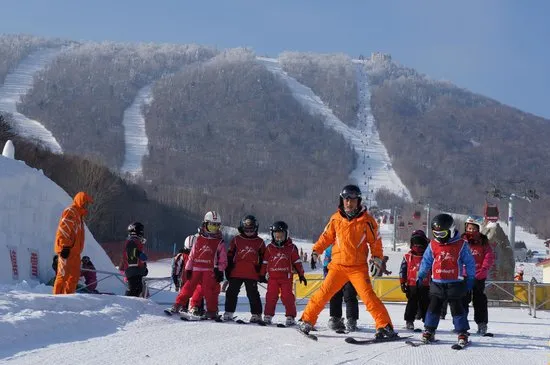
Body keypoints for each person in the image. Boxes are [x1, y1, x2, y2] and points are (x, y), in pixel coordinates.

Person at [298, 184, 396, 339]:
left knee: (369, 297)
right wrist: (317, 251)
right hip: (338, 266)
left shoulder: (367, 221)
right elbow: (326, 237)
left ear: (358, 201)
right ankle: (306, 320)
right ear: (342, 200)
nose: (349, 203)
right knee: (323, 294)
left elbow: (375, 242)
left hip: (358, 268)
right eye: (346, 200)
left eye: (352, 200)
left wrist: (377, 258)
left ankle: (384, 326)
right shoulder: (336, 218)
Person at [417, 213, 476, 346]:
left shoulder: (461, 244)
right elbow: (426, 261)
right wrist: (421, 274)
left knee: (457, 308)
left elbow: (470, 262)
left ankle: (462, 332)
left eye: (442, 234)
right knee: (433, 308)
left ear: (450, 230)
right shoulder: (433, 245)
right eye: (435, 234)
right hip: (437, 282)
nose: (439, 238)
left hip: (455, 283)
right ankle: (429, 330)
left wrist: (471, 277)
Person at [168, 211, 228, 319]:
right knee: (187, 288)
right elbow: (192, 255)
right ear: (205, 224)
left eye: (216, 226)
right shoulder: (198, 238)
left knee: (209, 291)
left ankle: (212, 311)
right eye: (211, 225)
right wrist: (188, 269)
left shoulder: (219, 242)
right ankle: (177, 305)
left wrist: (220, 270)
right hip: (196, 268)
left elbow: (223, 259)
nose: (214, 228)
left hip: (210, 270)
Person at [261, 221, 306, 326]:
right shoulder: (270, 248)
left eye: (281, 236)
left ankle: (290, 316)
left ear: (286, 235)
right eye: (277, 237)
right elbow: (264, 262)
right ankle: (268, 315)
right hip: (273, 278)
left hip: (286, 277)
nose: (279, 239)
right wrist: (261, 274)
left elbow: (297, 262)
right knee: (271, 296)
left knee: (287, 297)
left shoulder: (291, 248)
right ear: (273, 235)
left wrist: (301, 274)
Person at [223, 215, 265, 323]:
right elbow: (230, 254)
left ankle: (256, 314)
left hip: (252, 272)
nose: (249, 232)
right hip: (236, 271)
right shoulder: (237, 240)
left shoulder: (259, 242)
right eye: (247, 229)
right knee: (231, 292)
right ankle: (228, 312)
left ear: (256, 228)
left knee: (253, 293)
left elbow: (264, 259)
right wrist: (228, 268)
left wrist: (262, 272)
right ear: (242, 228)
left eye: (252, 229)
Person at [53, 191, 94, 295]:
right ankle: (56, 299)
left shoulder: (79, 216)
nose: (87, 205)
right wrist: (65, 246)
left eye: (88, 203)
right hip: (67, 250)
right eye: (85, 202)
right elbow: (63, 230)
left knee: (74, 278)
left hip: (75, 253)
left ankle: (68, 300)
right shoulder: (71, 211)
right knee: (62, 276)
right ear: (81, 201)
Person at [462, 215, 495, 335]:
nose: (470, 231)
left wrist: (484, 268)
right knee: (462, 300)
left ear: (479, 229)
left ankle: (482, 324)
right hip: (464, 275)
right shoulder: (462, 241)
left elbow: (489, 256)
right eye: (468, 228)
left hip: (478, 275)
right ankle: (461, 325)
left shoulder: (483, 242)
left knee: (479, 300)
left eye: (473, 229)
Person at [323, 244, 359, 332]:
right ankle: (335, 318)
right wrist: (326, 271)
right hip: (335, 271)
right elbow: (327, 257)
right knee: (335, 295)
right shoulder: (332, 244)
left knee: (350, 295)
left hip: (350, 271)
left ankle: (351, 320)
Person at [399, 230, 430, 330]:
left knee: (426, 303)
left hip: (426, 284)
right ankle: (409, 321)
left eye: (420, 244)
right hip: (412, 284)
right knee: (412, 303)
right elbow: (402, 270)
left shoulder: (428, 256)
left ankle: (428, 323)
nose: (418, 246)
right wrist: (402, 282)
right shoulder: (407, 257)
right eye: (415, 244)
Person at [120, 222, 149, 297]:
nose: (142, 233)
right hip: (133, 271)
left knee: (139, 290)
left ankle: (131, 304)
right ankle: (127, 304)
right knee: (134, 290)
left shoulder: (137, 241)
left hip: (136, 271)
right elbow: (131, 253)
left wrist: (143, 267)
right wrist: (139, 254)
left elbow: (138, 260)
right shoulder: (132, 241)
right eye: (141, 230)